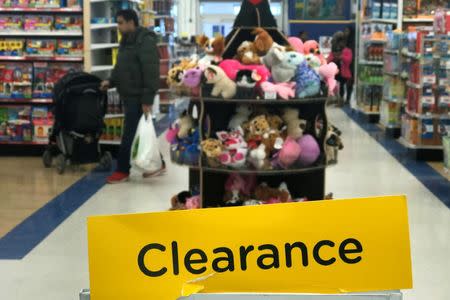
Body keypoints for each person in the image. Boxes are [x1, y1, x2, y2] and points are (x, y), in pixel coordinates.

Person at [100, 9, 165, 184]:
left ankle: (122, 170)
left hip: (138, 96)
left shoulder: (145, 41)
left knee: (129, 133)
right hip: (128, 94)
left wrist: (147, 99)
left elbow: (151, 72)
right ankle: (159, 163)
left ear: (131, 22)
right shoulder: (126, 41)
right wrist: (111, 81)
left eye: (120, 23)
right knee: (140, 131)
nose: (118, 26)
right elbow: (121, 66)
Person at [327, 29, 353, 104]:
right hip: (336, 72)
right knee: (337, 86)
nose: (341, 44)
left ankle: (346, 100)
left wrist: (341, 57)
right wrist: (334, 58)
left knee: (345, 86)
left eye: (343, 42)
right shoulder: (334, 50)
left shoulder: (348, 50)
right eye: (340, 42)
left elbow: (348, 60)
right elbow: (329, 60)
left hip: (345, 72)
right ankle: (338, 99)